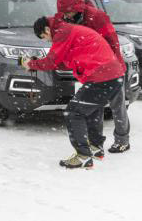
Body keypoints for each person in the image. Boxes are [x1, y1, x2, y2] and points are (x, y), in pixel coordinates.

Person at [20, 16, 125, 169]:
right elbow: (61, 62)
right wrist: (37, 62)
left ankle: (83, 156)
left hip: (102, 76)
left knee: (73, 113)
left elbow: (52, 62)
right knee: (92, 109)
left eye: (45, 37)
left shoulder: (62, 32)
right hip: (113, 75)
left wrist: (30, 64)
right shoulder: (69, 30)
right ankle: (95, 148)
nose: (48, 41)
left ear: (47, 29)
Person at [58, 0, 131, 154]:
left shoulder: (97, 17)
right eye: (64, 13)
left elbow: (113, 42)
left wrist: (112, 67)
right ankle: (95, 142)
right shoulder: (68, 20)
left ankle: (122, 140)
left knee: (117, 105)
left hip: (111, 68)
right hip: (91, 70)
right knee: (94, 107)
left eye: (68, 12)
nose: (67, 15)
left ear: (77, 7)